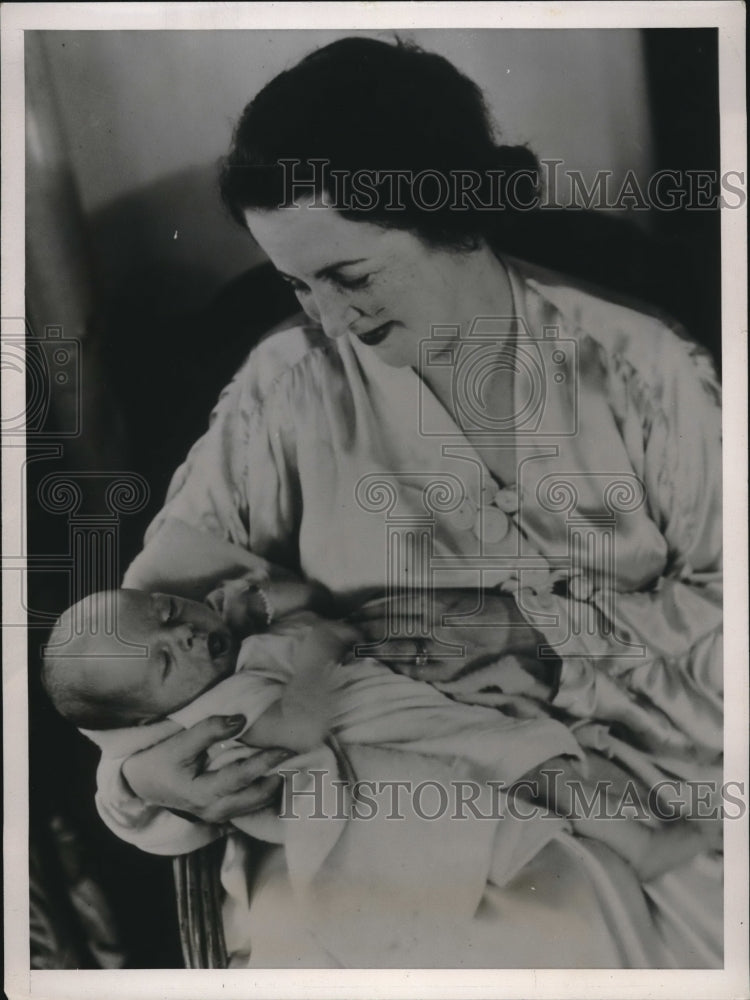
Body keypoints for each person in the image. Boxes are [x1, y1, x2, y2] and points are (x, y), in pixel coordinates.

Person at [88, 37, 722, 967]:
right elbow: (133, 640)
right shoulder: (282, 393)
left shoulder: (648, 376)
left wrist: (539, 636)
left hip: (649, 792)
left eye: (351, 276)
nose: (326, 320)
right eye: (297, 283)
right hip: (379, 811)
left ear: (457, 213)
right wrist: (145, 773)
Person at [43, 583, 719, 967]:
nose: (187, 636)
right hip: (405, 761)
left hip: (429, 717)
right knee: (540, 766)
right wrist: (317, 653)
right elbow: (298, 729)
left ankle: (636, 833)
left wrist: (268, 607)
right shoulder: (216, 710)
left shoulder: (235, 646)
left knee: (550, 759)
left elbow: (307, 598)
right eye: (165, 661)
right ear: (149, 714)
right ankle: (642, 845)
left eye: (169, 613)